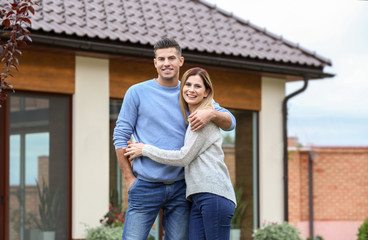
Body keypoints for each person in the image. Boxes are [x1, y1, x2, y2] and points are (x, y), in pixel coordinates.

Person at [113, 38, 236, 240]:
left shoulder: (190, 93)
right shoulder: (137, 92)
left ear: (181, 61)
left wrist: (212, 114)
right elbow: (120, 135)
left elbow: (231, 122)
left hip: (181, 187)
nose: (166, 63)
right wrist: (129, 179)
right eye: (161, 59)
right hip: (145, 184)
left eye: (171, 58)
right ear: (155, 63)